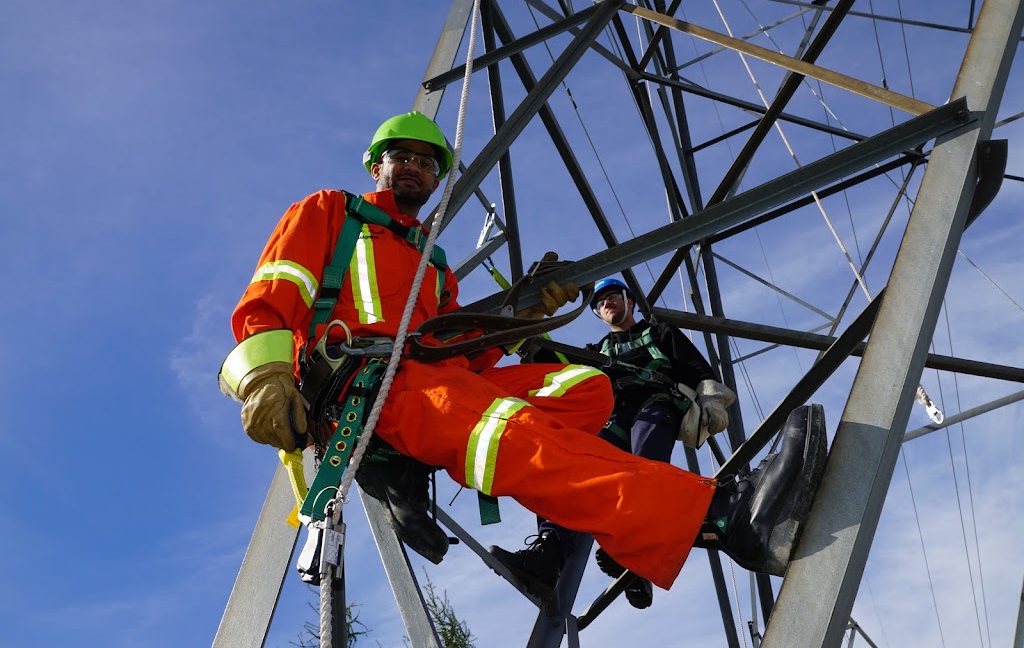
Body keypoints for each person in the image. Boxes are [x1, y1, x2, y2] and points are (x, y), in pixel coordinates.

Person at [218, 110, 825, 598]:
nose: (413, 168)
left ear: (437, 181)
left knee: (587, 390)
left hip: (438, 382)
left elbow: (461, 354)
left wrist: (520, 319)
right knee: (513, 431)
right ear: (376, 165)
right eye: (400, 157)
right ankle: (723, 517)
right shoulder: (331, 212)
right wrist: (264, 377)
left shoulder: (435, 266)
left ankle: (613, 517)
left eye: (427, 163)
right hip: (370, 391)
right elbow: (274, 291)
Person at [489, 278, 736, 607]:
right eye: (600, 302)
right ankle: (549, 553)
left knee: (642, 468)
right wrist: (527, 338)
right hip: (614, 416)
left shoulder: (659, 334)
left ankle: (636, 560)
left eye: (612, 298)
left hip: (655, 404)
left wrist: (711, 399)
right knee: (576, 471)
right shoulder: (596, 353)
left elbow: (693, 365)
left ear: (629, 301)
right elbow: (561, 363)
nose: (607, 303)